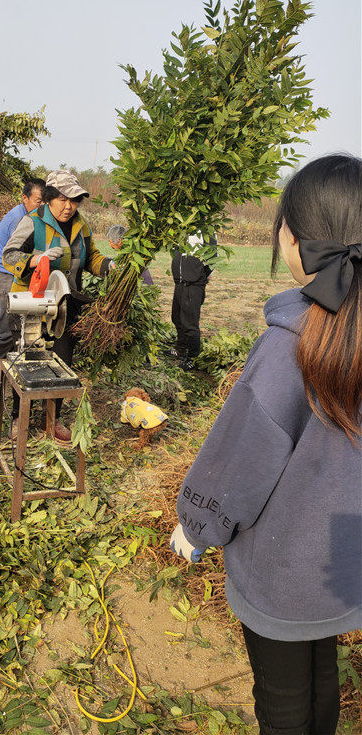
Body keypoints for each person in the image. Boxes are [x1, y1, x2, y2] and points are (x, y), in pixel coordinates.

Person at [169, 154, 362, 735]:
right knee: (322, 677)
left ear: (300, 243)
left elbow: (238, 464)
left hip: (283, 568)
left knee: (281, 701)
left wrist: (196, 526)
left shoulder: (288, 349)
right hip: (342, 564)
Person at [3, 169, 114, 443]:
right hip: (32, 302)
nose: (69, 206)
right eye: (63, 199)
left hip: (65, 304)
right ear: (50, 198)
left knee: (63, 363)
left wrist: (110, 266)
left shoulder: (81, 225)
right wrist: (36, 259)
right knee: (28, 360)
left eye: (74, 200)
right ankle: (19, 418)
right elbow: (9, 255)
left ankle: (51, 419)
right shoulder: (33, 222)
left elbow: (92, 258)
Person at [0, 178, 45, 369]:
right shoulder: (20, 219)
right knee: (8, 329)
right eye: (38, 201)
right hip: (4, 277)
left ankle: (11, 363)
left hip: (11, 276)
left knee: (17, 325)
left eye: (45, 201)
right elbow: (16, 255)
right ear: (25, 198)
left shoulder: (29, 215)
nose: (42, 205)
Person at [167, 231, 217, 370]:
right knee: (176, 318)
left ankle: (193, 358)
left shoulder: (207, 231)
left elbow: (212, 258)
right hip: (180, 283)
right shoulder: (183, 229)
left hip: (193, 285)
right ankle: (180, 348)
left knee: (189, 323)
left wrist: (197, 276)